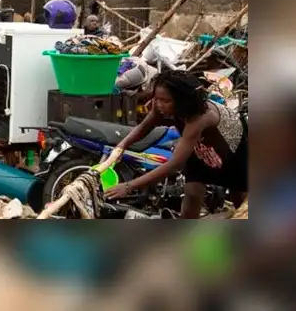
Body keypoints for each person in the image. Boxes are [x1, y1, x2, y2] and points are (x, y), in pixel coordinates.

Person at [104, 70, 248, 218]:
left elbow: (174, 165)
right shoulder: (161, 103)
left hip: (232, 151)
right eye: (156, 98)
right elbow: (145, 126)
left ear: (183, 101)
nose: (158, 104)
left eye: (165, 101)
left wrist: (129, 186)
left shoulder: (200, 118)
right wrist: (121, 146)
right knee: (192, 193)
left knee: (241, 200)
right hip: (200, 148)